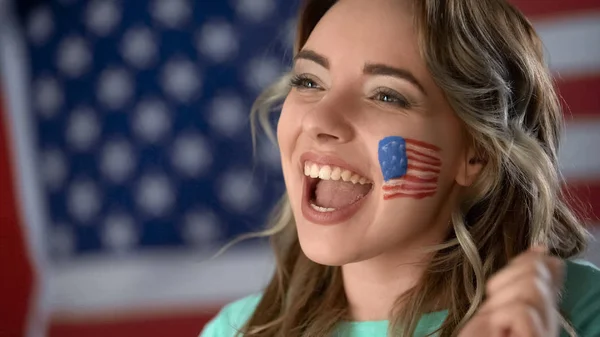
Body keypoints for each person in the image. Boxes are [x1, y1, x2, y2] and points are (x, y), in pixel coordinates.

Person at [200, 0, 600, 336]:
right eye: (308, 81)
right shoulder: (237, 329)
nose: (320, 121)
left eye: (387, 95)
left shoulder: (581, 311)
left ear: (476, 153)